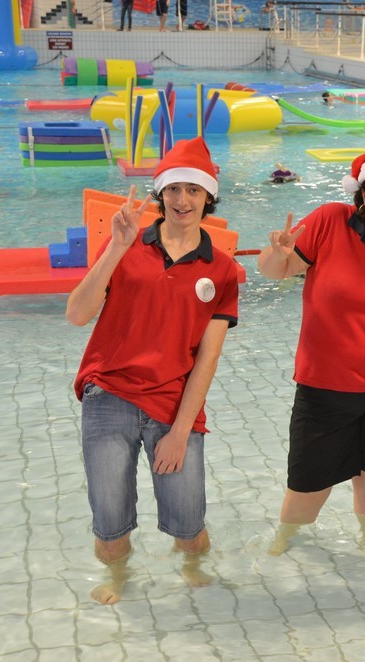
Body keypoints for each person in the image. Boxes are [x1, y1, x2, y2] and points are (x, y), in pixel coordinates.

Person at [66, 138, 239, 605]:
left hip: (171, 405)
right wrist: (116, 249)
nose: (182, 201)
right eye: (174, 190)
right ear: (160, 194)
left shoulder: (221, 270)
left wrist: (181, 430)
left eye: (193, 191)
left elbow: (207, 359)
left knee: (188, 526)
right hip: (110, 396)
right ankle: (120, 577)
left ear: (209, 197)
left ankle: (193, 563)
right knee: (109, 525)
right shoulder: (125, 245)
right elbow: (77, 315)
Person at [258, 140, 365, 567]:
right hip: (325, 384)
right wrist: (276, 253)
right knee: (308, 483)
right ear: (361, 193)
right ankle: (286, 538)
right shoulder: (330, 222)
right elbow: (276, 271)